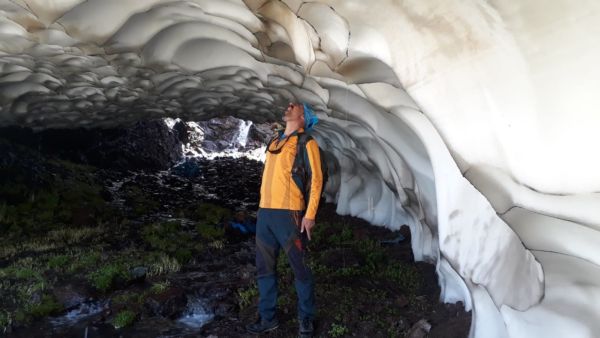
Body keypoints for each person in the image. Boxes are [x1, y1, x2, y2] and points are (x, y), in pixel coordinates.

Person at [246, 102, 323, 337]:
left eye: (294, 106)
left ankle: (306, 318)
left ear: (302, 117)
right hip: (265, 213)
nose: (288, 107)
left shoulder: (306, 143)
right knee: (264, 268)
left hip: (289, 214)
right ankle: (268, 318)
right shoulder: (275, 141)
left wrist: (309, 216)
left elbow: (317, 180)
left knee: (300, 268)